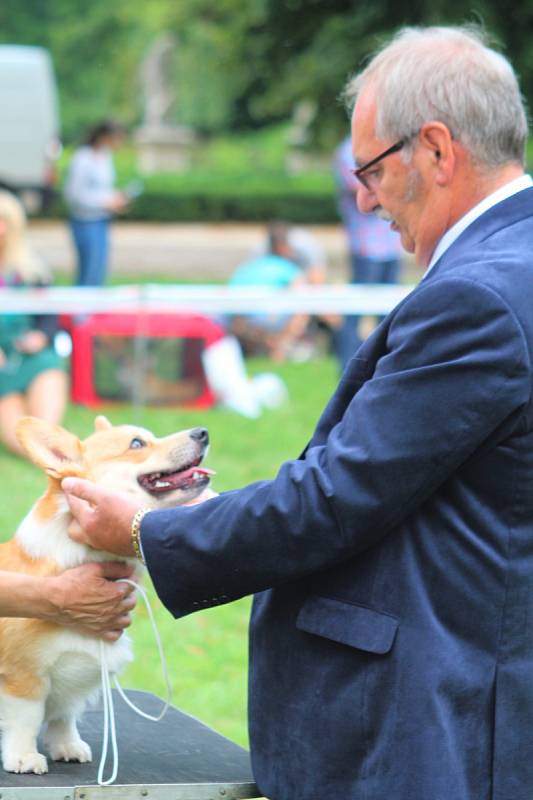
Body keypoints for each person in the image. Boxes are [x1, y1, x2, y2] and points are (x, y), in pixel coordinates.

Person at [61, 25, 533, 800]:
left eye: (371, 169)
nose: (360, 196)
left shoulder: (476, 297)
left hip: (438, 729)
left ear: (439, 151)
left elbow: (334, 499)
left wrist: (144, 528)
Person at [0, 190, 68, 457]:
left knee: (46, 427)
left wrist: (41, 336)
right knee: (19, 437)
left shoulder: (31, 271)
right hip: (3, 365)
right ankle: (49, 460)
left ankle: (60, 456)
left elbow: (50, 319)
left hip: (32, 356)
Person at [332, 134, 403, 368]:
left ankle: (387, 369)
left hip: (391, 244)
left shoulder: (386, 146)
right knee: (356, 312)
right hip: (366, 247)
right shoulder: (346, 151)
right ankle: (347, 369)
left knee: (389, 315)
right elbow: (367, 190)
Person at [228, 221, 311, 361]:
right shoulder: (287, 268)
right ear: (283, 247)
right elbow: (302, 290)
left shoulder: (249, 267)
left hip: (242, 321)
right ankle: (279, 350)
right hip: (269, 319)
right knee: (303, 307)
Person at [64, 119, 128, 286]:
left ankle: (92, 311)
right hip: (85, 221)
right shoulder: (83, 158)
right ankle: (79, 311)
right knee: (88, 273)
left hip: (101, 220)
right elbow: (74, 195)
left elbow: (102, 188)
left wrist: (115, 198)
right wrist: (104, 202)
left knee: (98, 272)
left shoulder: (105, 156)